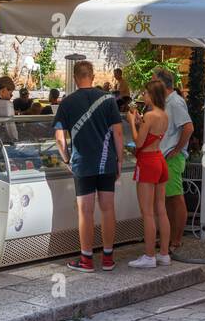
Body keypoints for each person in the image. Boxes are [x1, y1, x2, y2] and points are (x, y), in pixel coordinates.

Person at [53, 61, 125, 272]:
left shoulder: (67, 102)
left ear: (75, 78)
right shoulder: (108, 100)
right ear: (92, 76)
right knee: (108, 208)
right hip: (106, 162)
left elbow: (59, 138)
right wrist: (119, 160)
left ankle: (86, 260)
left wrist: (66, 159)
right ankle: (108, 259)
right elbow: (118, 133)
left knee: (85, 212)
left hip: (82, 164)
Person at [126, 79, 170, 268]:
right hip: (159, 159)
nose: (143, 96)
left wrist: (131, 123)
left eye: (145, 93)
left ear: (152, 95)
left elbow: (138, 142)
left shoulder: (150, 116)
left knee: (147, 212)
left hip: (148, 162)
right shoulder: (163, 115)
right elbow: (151, 134)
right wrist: (139, 121)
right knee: (161, 208)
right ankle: (164, 254)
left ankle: (149, 256)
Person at [154, 68, 194, 252]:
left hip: (172, 158)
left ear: (162, 84)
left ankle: (176, 240)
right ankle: (169, 238)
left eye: (154, 81)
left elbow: (188, 127)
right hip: (165, 157)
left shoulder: (175, 102)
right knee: (168, 199)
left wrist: (177, 149)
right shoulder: (166, 102)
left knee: (175, 198)